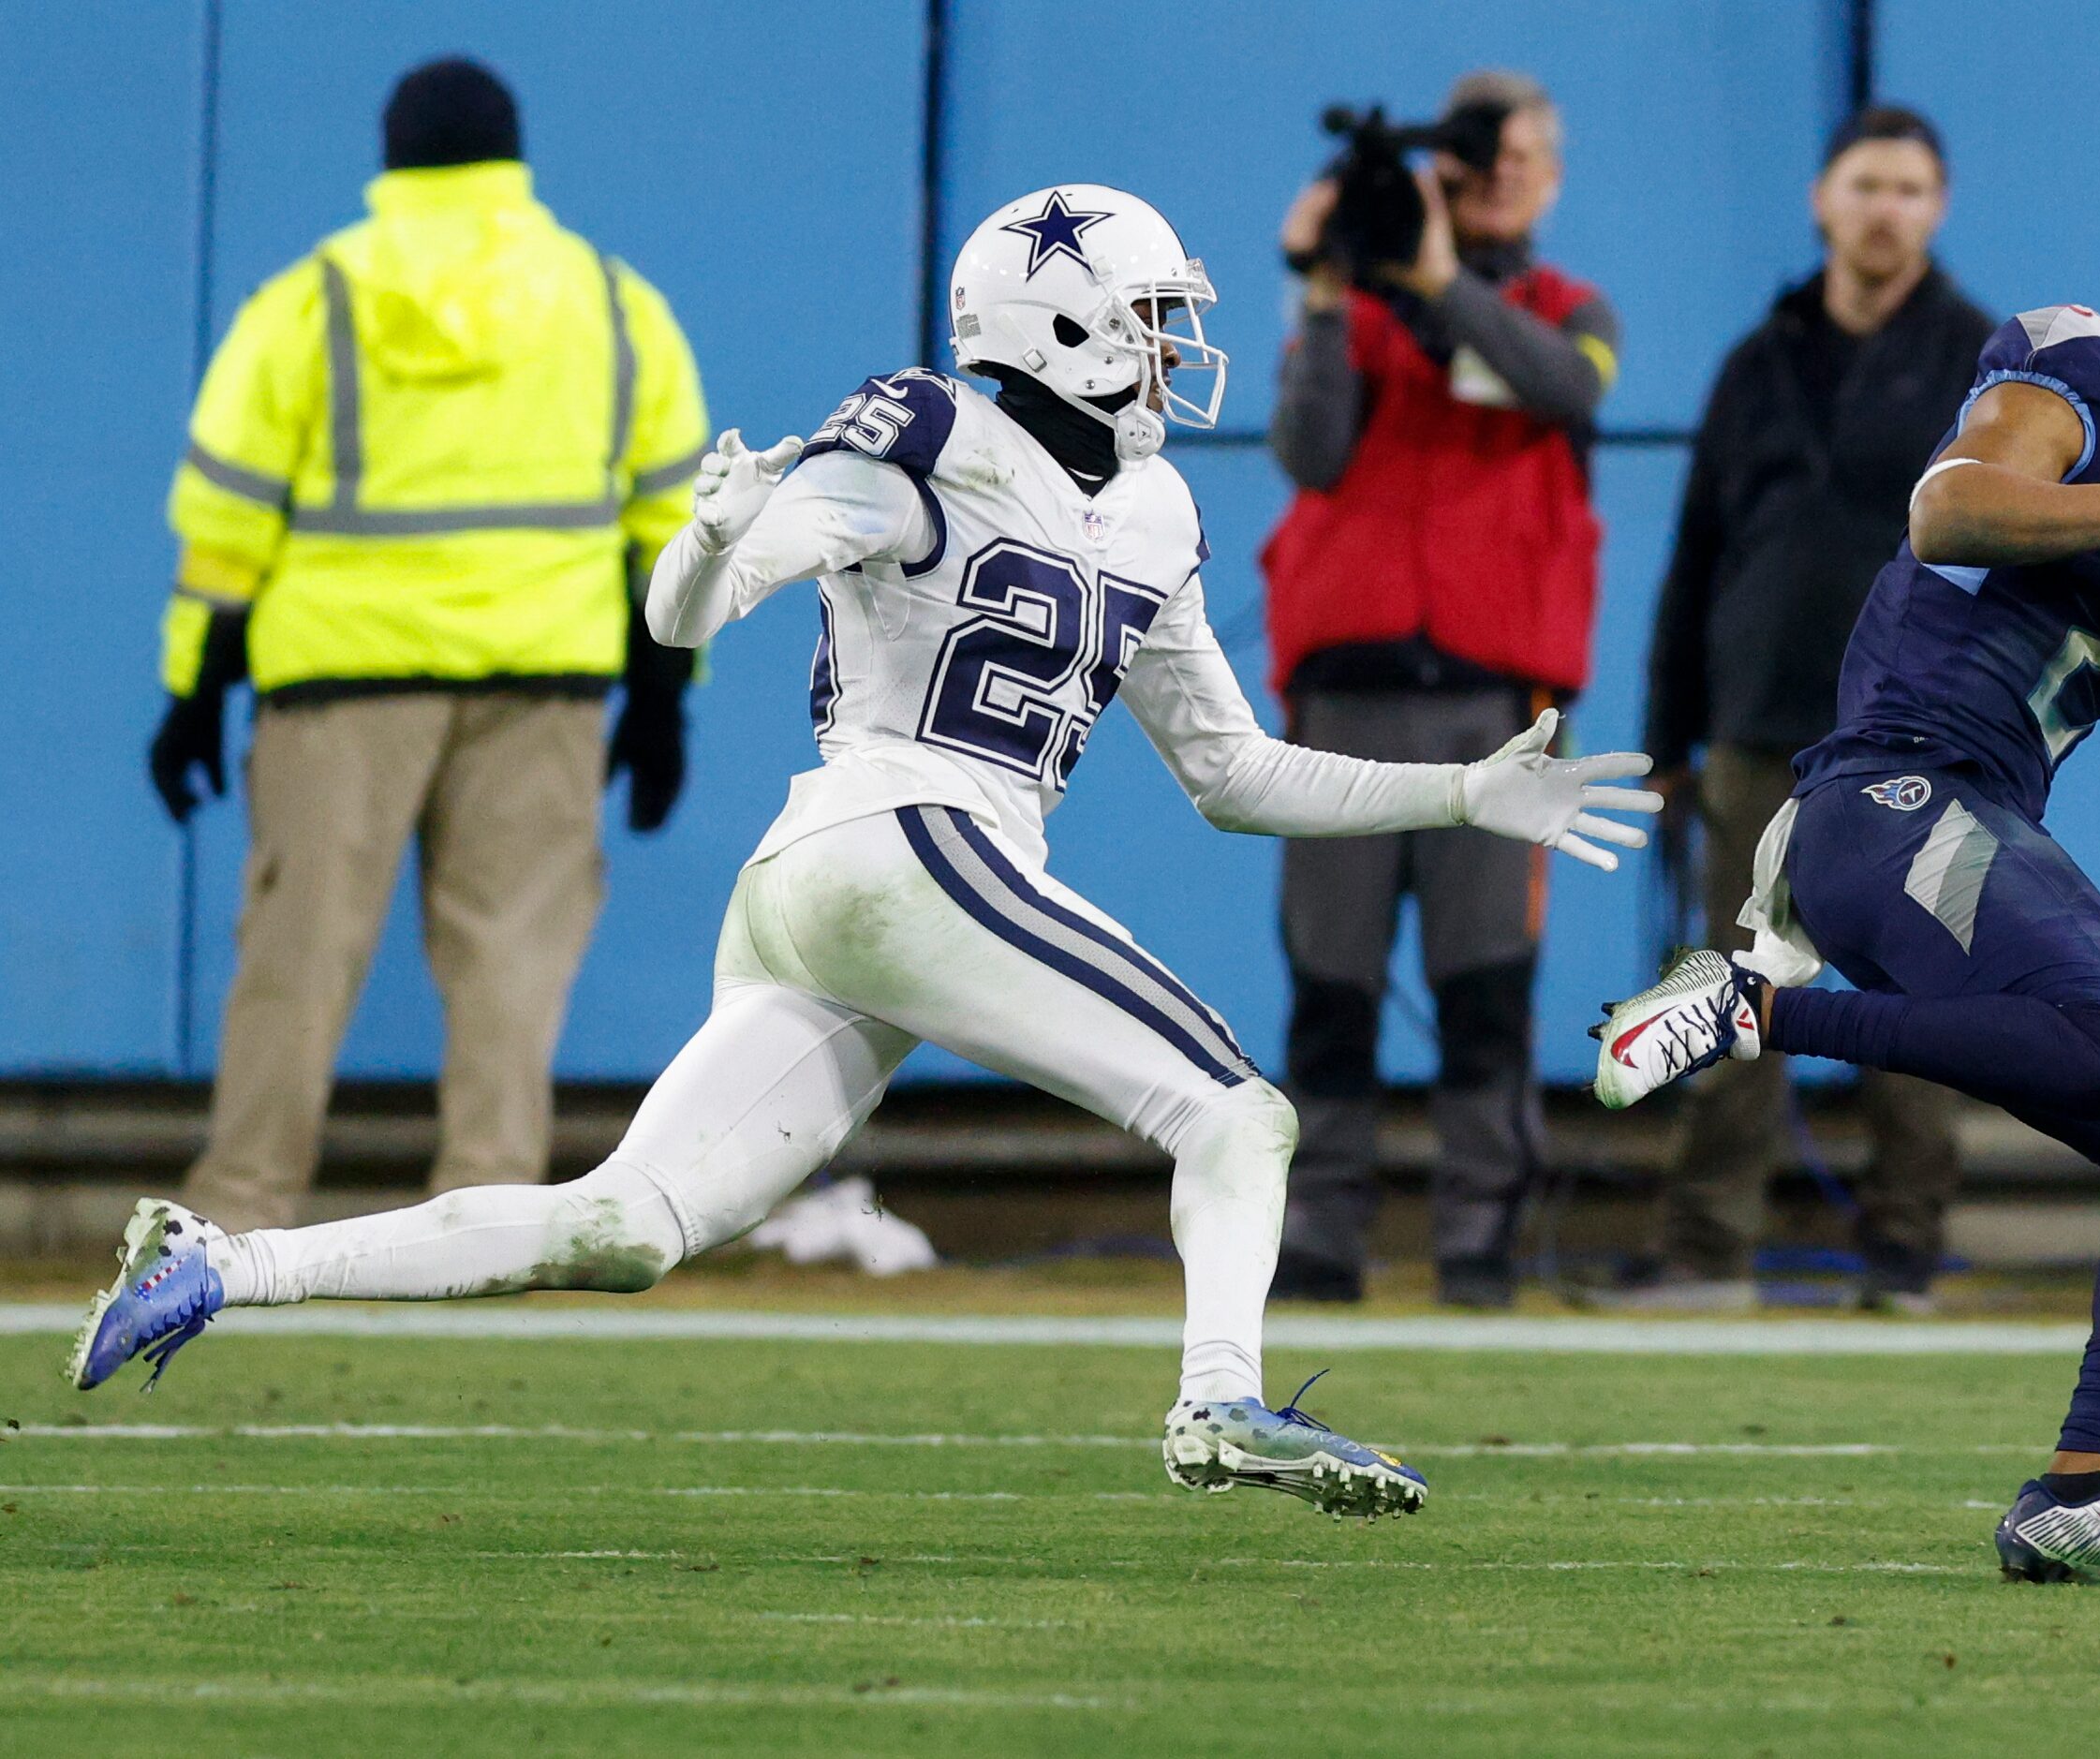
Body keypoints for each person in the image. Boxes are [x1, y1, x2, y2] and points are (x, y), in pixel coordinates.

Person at [71, 185, 1662, 1522]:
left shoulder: (1158, 509)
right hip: (910, 833)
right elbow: (689, 612)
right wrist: (710, 535)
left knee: (625, 1227)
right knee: (1238, 1111)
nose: (1177, 345)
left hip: (852, 890)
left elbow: (1233, 772)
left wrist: (1461, 795)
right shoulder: (926, 427)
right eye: (1150, 314)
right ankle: (1218, 1405)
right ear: (1061, 320)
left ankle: (222, 1261)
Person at [1593, 227, 2100, 1585]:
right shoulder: (2084, 368)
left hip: (1973, 820)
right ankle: (1749, 1008)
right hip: (1886, 795)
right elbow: (1949, 509)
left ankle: (2083, 1487)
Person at [148, 59, 710, 1231]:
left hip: (338, 683)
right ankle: (489, 1216)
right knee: (513, 963)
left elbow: (225, 514)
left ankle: (242, 1216)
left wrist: (194, 684)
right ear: (514, 156)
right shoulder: (611, 300)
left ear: (391, 152)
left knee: (299, 955)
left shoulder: (315, 299)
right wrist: (666, 695)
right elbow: (675, 519)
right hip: (547, 677)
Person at [1261, 70, 1620, 1309]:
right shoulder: (1350, 311)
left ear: (1551, 178)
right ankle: (1316, 1233)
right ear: (1435, 177)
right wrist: (1320, 287)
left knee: (1485, 986)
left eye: (1520, 158)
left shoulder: (1567, 308)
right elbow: (1307, 452)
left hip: (1495, 707)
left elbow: (1564, 389)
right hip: (1346, 701)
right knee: (1329, 986)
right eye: (1473, 163)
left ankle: (1476, 1243)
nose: (1496, 179)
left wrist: (1429, 281)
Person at [1635, 105, 1994, 1309]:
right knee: (1730, 992)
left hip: (1924, 741)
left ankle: (1903, 1257)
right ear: (1821, 200)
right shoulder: (1759, 358)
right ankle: (1704, 1255)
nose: (1884, 208)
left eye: (1907, 188)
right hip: (1755, 736)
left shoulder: (1988, 366)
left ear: (1935, 209)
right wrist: (1667, 732)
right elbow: (1694, 557)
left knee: (1922, 1004)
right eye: (1865, 185)